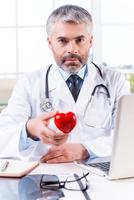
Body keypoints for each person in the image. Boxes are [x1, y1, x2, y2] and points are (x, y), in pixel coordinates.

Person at [0, 5, 130, 163]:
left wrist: (84, 149)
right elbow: (3, 137)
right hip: (45, 177)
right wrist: (29, 130)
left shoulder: (115, 81)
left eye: (79, 40)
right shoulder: (29, 83)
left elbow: (128, 137)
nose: (72, 49)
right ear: (50, 43)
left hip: (99, 176)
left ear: (90, 41)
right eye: (62, 41)